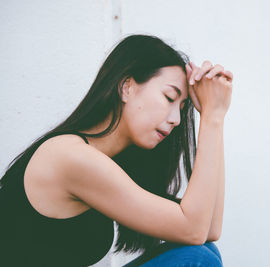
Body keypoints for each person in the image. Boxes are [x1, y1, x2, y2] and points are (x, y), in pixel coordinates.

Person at [0, 34, 233, 266]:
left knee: (204, 250)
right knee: (197, 258)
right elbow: (192, 229)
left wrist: (214, 117)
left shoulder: (113, 162)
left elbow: (208, 229)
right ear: (126, 87)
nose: (176, 120)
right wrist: (212, 117)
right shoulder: (70, 156)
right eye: (169, 97)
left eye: (182, 108)